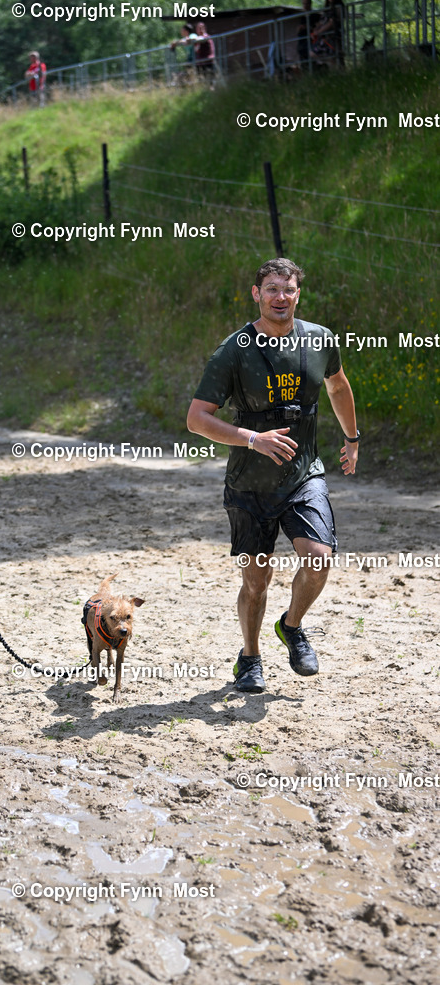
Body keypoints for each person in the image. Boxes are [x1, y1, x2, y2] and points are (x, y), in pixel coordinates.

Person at [187, 258, 359, 694]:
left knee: (318, 558)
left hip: (303, 475)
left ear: (298, 294)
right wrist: (252, 438)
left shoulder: (320, 339)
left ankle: (292, 626)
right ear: (256, 294)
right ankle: (250, 658)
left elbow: (338, 385)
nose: (280, 297)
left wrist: (352, 437)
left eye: (288, 289)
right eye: (271, 289)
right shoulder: (234, 350)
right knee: (256, 581)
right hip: (249, 483)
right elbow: (197, 418)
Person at [193, 21, 216, 85]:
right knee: (202, 82)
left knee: (211, 82)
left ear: (204, 28)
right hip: (200, 63)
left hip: (208, 62)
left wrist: (192, 40)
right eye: (198, 28)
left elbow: (201, 39)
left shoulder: (206, 36)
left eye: (201, 28)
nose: (200, 30)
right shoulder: (196, 40)